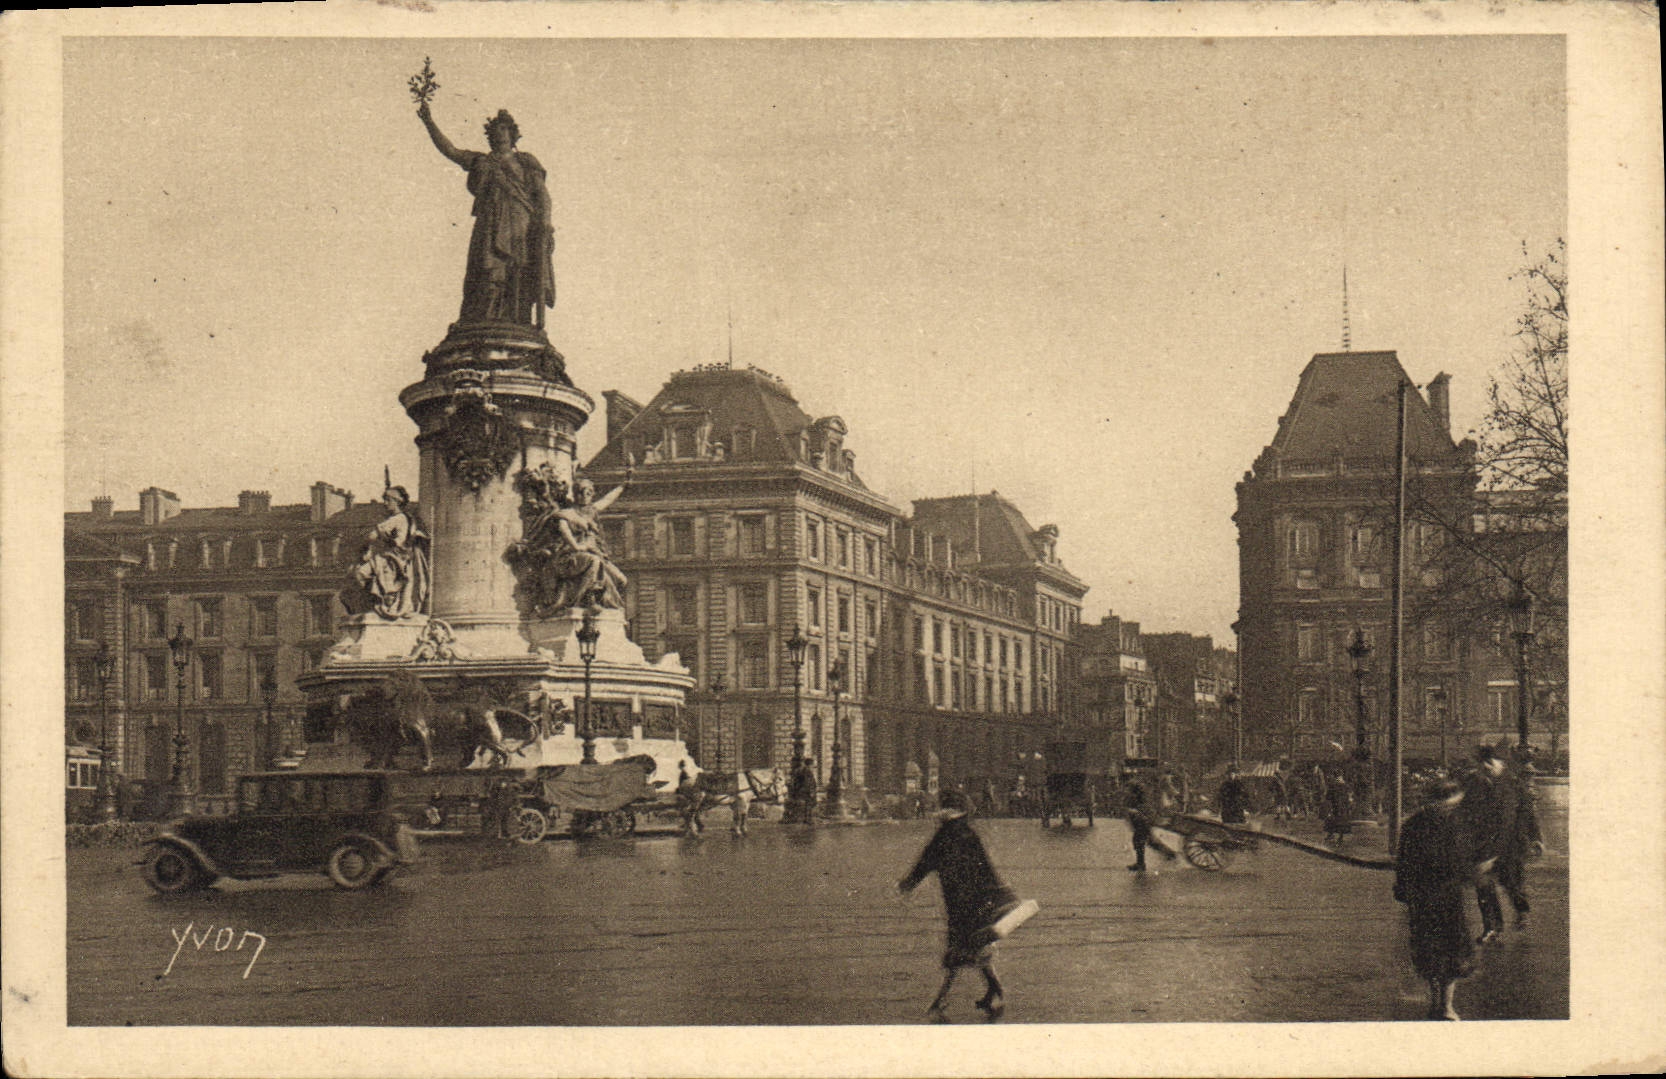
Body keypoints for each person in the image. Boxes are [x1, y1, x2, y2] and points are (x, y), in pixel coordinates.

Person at [418, 102, 555, 327]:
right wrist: (429, 122)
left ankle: (518, 320)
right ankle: (484, 317)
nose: (498, 134)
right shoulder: (481, 161)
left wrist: (546, 225)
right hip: (490, 222)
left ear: (513, 133)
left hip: (520, 222)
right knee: (487, 267)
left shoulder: (525, 161)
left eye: (503, 129)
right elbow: (450, 151)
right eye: (494, 130)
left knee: (518, 270)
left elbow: (543, 196)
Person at [898, 790, 1029, 1023]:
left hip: (960, 905)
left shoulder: (945, 835)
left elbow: (926, 862)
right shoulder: (968, 833)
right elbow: (986, 870)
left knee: (959, 952)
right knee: (975, 949)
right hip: (977, 903)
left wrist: (908, 883)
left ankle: (941, 1002)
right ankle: (994, 991)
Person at [1393, 779, 1479, 1020]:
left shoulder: (1413, 824)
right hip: (1447, 896)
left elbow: (1403, 862)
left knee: (1430, 950)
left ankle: (1437, 1004)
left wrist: (1402, 889)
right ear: (1446, 800)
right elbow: (1462, 861)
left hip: (1422, 897)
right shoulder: (1457, 824)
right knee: (1452, 952)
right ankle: (1446, 1006)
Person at [1460, 744, 1543, 942]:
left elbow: (1527, 814)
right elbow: (1466, 815)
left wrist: (1536, 838)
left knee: (1512, 884)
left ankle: (1521, 910)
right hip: (1483, 845)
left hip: (1510, 845)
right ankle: (1492, 927)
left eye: (1491, 762)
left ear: (1502, 764)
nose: (1486, 766)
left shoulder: (1514, 786)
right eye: (1483, 763)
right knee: (1484, 886)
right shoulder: (1475, 785)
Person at [347, 486, 432, 619]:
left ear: (397, 501)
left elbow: (372, 536)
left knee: (359, 574)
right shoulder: (407, 518)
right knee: (361, 576)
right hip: (395, 558)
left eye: (388, 500)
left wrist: (366, 545)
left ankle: (373, 607)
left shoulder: (397, 519)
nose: (385, 503)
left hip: (391, 559)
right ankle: (375, 605)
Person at [1124, 780, 1178, 872]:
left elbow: (1140, 810)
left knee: (1139, 842)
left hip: (1142, 822)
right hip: (1143, 822)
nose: (1127, 790)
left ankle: (1141, 864)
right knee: (1149, 842)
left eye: (1129, 788)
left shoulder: (1137, 798)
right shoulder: (1141, 797)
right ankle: (1170, 853)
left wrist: (1134, 812)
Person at [1323, 773, 1355, 844]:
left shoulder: (1334, 786)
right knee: (1339, 821)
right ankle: (1337, 836)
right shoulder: (1344, 786)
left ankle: (1334, 835)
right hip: (1340, 807)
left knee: (1335, 820)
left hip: (1338, 806)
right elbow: (1350, 796)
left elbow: (1328, 797)